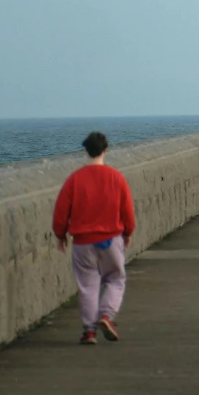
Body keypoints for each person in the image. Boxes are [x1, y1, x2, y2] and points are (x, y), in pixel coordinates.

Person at [52, 131, 136, 346]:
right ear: (105, 151)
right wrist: (127, 233)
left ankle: (89, 331)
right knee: (116, 279)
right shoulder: (116, 177)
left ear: (85, 151)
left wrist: (60, 235)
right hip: (111, 239)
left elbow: (61, 212)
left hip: (83, 242)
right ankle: (106, 316)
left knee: (88, 285)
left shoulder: (74, 179)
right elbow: (127, 211)